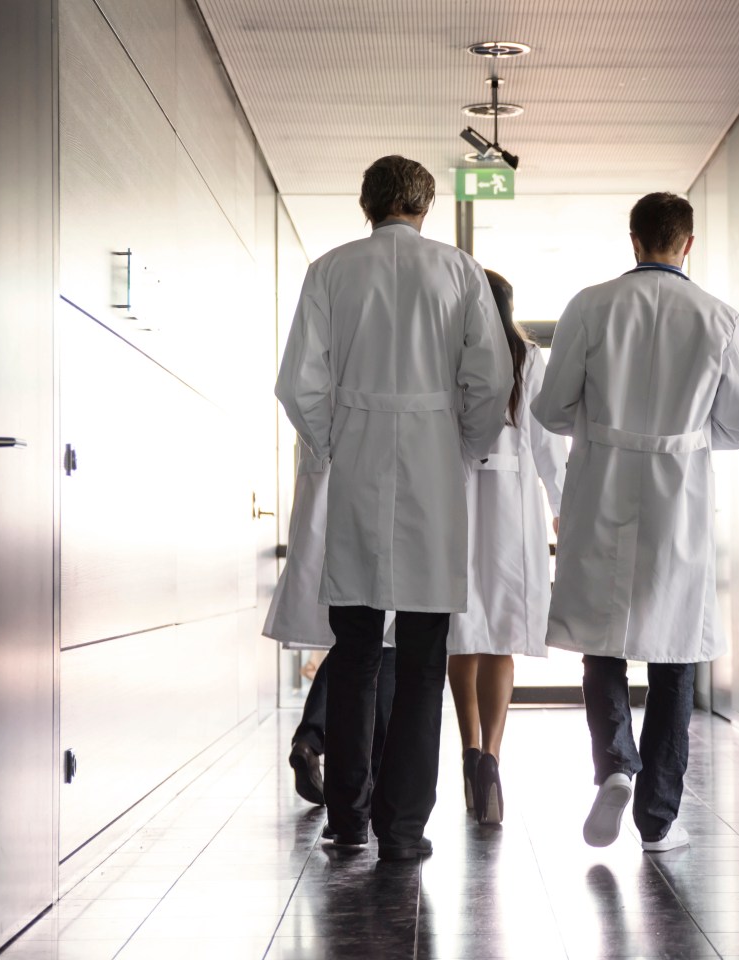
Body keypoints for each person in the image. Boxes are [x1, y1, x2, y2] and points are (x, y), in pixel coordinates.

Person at [275, 155, 512, 861]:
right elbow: (489, 379)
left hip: (357, 465)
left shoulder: (330, 271)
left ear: (366, 205)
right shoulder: (459, 271)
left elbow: (298, 384)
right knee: (422, 659)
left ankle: (348, 816)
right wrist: (462, 446)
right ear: (426, 207)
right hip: (433, 469)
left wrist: (334, 444)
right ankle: (403, 829)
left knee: (354, 652)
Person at [531, 192, 739, 854]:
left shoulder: (590, 305)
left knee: (601, 640)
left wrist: (601, 424)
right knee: (675, 651)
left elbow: (550, 409)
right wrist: (688, 435)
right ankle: (658, 819)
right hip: (676, 492)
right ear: (686, 243)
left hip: (601, 482)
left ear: (633, 240)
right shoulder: (719, 318)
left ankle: (614, 763)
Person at [447, 269, 567, 826]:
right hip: (512, 509)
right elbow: (548, 446)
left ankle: (469, 751)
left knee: (462, 634)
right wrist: (563, 506)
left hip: (457, 503)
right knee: (500, 638)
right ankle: (492, 758)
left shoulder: (452, 357)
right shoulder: (529, 360)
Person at [262, 439, 396, 808]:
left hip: (342, 480)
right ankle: (367, 787)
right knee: (382, 643)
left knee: (360, 641)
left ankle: (312, 741)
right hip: (373, 487)